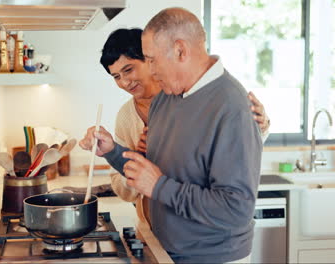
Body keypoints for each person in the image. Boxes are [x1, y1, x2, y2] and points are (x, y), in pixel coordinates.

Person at [99, 28, 270, 227]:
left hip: (200, 231)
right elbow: (124, 192)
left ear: (150, 60)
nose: (125, 82)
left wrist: (260, 128)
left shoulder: (190, 98)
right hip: (153, 228)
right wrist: (138, 159)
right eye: (116, 76)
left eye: (128, 70)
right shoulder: (126, 117)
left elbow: (231, 152)